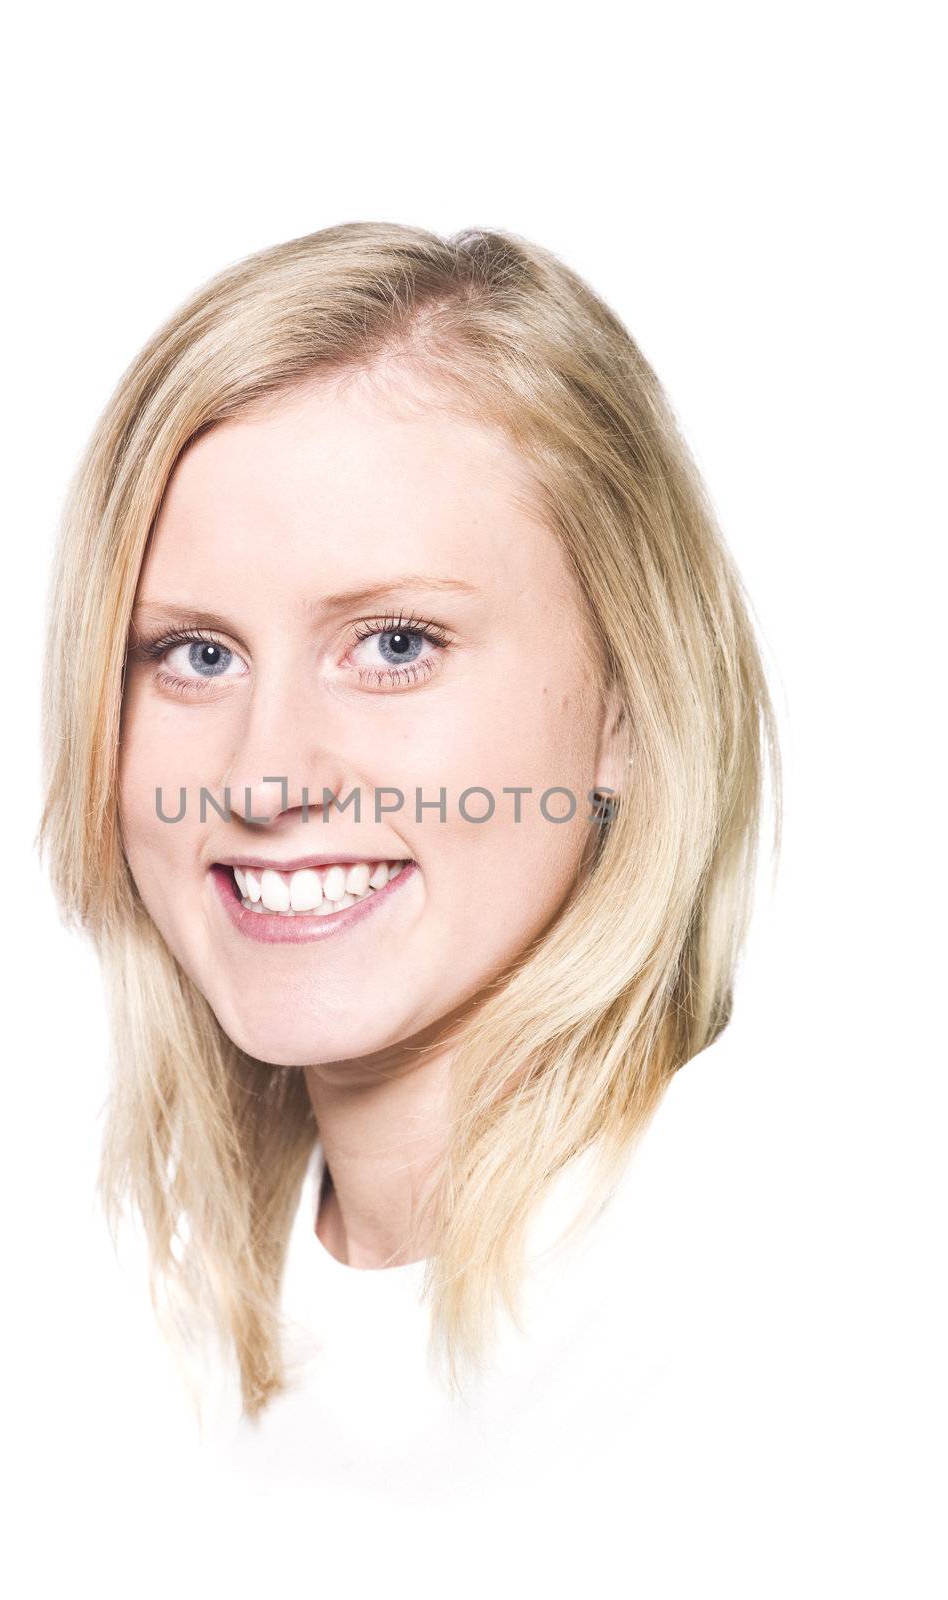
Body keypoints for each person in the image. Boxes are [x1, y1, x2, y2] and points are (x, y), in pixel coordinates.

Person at [38, 221, 781, 1580]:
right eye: (192, 654)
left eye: (394, 645)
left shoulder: (825, 1298)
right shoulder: (110, 1338)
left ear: (624, 706)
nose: (263, 776)